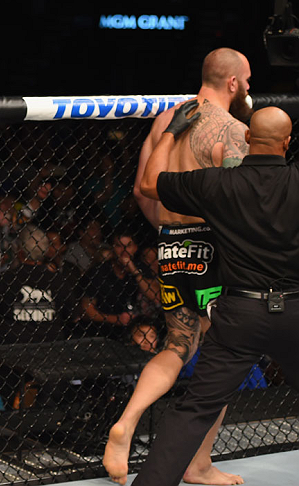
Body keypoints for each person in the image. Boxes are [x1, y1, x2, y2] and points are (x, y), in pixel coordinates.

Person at [104, 47, 252, 485]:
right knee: (226, 354)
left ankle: (127, 421)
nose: (248, 86)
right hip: (215, 248)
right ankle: (199, 463)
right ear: (232, 82)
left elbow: (141, 188)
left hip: (172, 245)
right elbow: (239, 208)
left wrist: (172, 231)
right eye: (247, 79)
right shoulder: (237, 131)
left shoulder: (166, 120)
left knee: (177, 344)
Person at [130, 105, 298, 485]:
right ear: (287, 143)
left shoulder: (219, 183)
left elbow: (149, 184)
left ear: (249, 139)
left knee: (194, 410)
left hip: (241, 314)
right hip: (294, 309)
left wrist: (170, 132)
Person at [76, 229, 158, 341]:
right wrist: (116, 319)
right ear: (113, 248)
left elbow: (156, 297)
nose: (124, 251)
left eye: (128, 246)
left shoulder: (141, 268)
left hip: (137, 334)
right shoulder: (98, 272)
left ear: (135, 248)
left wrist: (134, 271)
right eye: (119, 246)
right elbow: (86, 310)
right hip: (104, 333)